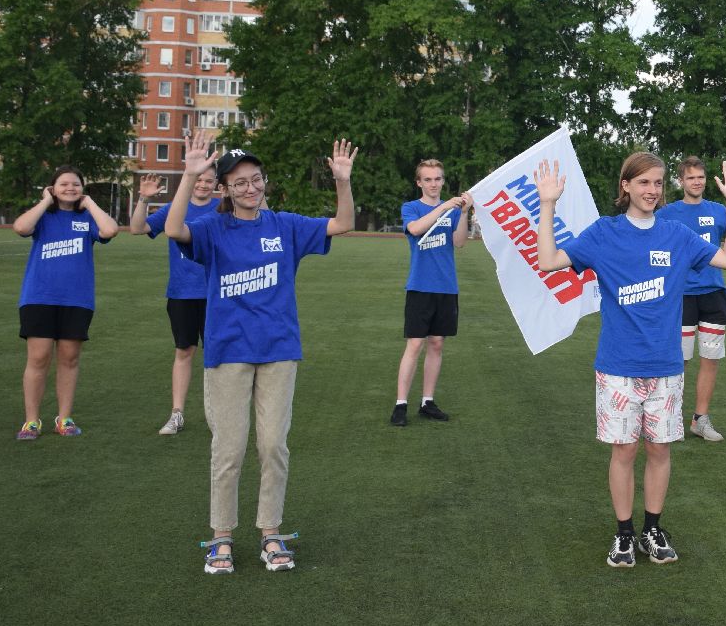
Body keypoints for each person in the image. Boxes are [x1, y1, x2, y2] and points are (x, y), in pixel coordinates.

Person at [532, 152, 726, 568]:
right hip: (617, 366)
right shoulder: (603, 234)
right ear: (625, 186)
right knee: (625, 451)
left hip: (665, 365)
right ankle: (624, 534)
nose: (652, 190)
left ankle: (653, 528)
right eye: (643, 183)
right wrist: (547, 205)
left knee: (660, 451)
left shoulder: (676, 235)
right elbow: (548, 261)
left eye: (657, 183)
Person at [166, 131, 356, 575]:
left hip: (278, 350)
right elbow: (175, 230)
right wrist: (189, 175)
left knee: (273, 445)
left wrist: (342, 182)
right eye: (238, 183)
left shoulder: (285, 225)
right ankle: (221, 539)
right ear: (225, 190)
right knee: (229, 448)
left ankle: (271, 533)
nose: (249, 188)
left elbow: (341, 224)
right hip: (229, 352)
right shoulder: (213, 228)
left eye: (255, 180)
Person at [654, 155, 726, 442]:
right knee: (678, 359)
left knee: (710, 358)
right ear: (680, 181)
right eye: (691, 177)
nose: (696, 182)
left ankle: (699, 419)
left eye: (700, 177)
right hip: (680, 297)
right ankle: (671, 418)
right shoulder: (666, 214)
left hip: (714, 295)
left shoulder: (719, 210)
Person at [12, 166, 121, 439]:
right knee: (38, 358)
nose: (70, 188)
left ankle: (64, 418)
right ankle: (32, 421)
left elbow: (110, 230)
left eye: (76, 184)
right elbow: (21, 227)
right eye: (63, 184)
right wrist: (46, 201)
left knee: (69, 358)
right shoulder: (43, 216)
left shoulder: (88, 218)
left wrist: (91, 203)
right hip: (39, 297)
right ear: (52, 187)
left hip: (77, 299)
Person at [130, 170, 220, 435]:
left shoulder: (223, 208)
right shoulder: (175, 208)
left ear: (217, 184)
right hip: (182, 293)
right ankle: (177, 413)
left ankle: (218, 416)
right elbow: (137, 228)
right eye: (198, 180)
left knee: (218, 356)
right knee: (184, 351)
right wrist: (144, 200)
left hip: (217, 293)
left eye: (208, 181)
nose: (203, 185)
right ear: (188, 181)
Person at [390, 159, 472, 427]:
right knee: (415, 344)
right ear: (419, 183)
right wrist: (444, 207)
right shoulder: (411, 208)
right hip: (420, 287)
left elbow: (458, 243)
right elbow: (414, 229)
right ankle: (400, 404)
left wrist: (464, 212)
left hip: (446, 287)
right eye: (428, 179)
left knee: (437, 343)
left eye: (438, 179)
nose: (434, 184)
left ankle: (427, 401)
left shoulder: (452, 211)